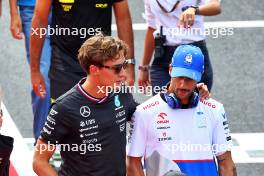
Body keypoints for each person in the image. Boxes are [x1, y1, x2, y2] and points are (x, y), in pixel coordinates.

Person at [33, 35, 210, 175]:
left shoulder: (122, 94)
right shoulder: (64, 108)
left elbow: (150, 114)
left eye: (124, 65)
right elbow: (39, 161)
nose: (124, 74)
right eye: (117, 68)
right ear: (94, 69)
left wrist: (188, 91)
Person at [127, 45, 236, 176]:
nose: (182, 85)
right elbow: (133, 163)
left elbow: (226, 163)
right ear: (170, 69)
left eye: (189, 78)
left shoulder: (215, 110)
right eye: (179, 76)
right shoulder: (144, 113)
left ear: (200, 75)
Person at [30, 0, 135, 104]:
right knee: (64, 117)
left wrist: (129, 65)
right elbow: (39, 19)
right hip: (64, 64)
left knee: (104, 117)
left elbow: (123, 19)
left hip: (103, 65)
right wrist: (35, 70)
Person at [138, 0, 221, 94]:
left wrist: (194, 10)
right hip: (163, 57)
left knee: (195, 105)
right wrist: (144, 67)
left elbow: (216, 7)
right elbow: (152, 28)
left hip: (193, 56)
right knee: (161, 104)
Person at [9, 0, 51, 141]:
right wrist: (14, 13)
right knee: (43, 76)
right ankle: (43, 140)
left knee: (73, 74)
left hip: (66, 11)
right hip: (32, 8)